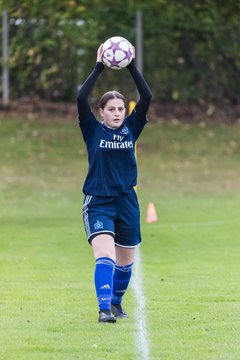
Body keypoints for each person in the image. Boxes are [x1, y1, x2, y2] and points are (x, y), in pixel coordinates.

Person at [76, 44, 152, 323]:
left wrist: (131, 64)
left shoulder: (132, 127)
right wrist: (99, 66)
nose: (118, 113)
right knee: (105, 254)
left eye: (121, 108)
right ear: (102, 112)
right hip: (98, 201)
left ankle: (116, 303)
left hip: (126, 200)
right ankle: (104, 308)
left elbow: (147, 95)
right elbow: (81, 97)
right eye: (112, 109)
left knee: (126, 261)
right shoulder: (92, 129)